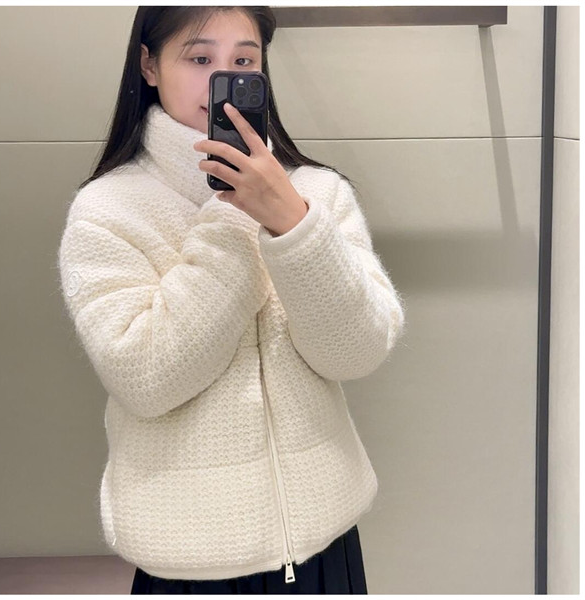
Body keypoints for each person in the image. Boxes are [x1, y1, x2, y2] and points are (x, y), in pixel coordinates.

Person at [57, 5, 406, 595]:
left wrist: (294, 224)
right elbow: (145, 377)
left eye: (244, 61)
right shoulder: (107, 211)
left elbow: (358, 352)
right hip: (189, 560)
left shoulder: (316, 194)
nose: (223, 78)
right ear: (149, 65)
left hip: (325, 544)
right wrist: (239, 214)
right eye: (199, 58)